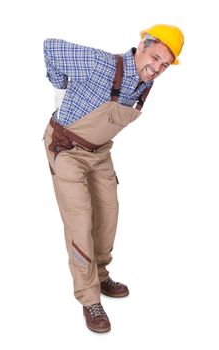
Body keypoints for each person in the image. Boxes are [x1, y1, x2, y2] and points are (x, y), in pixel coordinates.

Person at [43, 24, 184, 333]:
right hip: (65, 149)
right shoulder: (99, 63)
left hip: (100, 152)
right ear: (143, 44)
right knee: (81, 222)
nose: (157, 68)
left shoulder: (145, 83)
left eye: (165, 64)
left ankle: (101, 274)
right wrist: (60, 84)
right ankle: (89, 297)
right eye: (156, 57)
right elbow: (50, 46)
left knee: (108, 214)